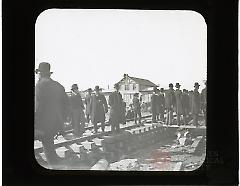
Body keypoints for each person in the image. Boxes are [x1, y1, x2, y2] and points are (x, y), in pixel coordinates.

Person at [35, 62, 69, 168]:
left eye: (38, 73)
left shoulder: (40, 85)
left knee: (48, 149)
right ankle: (56, 164)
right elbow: (66, 106)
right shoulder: (59, 86)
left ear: (40, 73)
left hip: (42, 125)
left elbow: (38, 107)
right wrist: (61, 121)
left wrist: (36, 124)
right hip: (56, 124)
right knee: (50, 147)